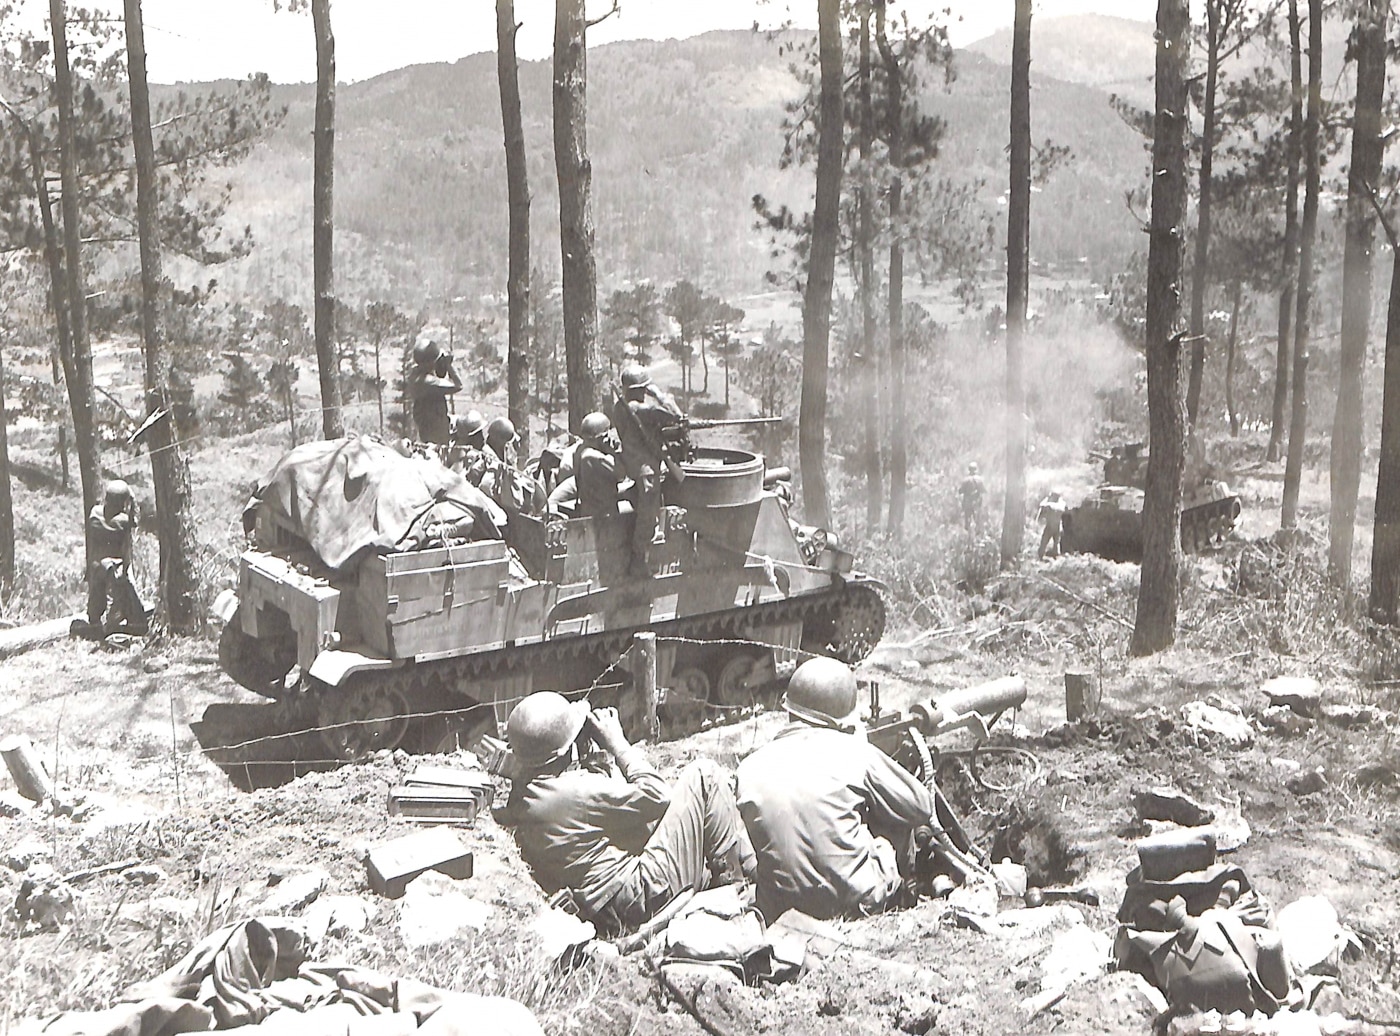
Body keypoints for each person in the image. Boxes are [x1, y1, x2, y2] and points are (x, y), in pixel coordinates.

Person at [498, 691, 755, 935]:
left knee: (677, 826)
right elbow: (658, 796)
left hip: (607, 907)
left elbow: (617, 810)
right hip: (638, 897)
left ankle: (746, 867)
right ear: (565, 749)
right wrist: (617, 744)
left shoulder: (529, 791)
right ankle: (734, 891)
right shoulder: (574, 791)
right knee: (703, 775)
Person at [735, 657, 936, 922]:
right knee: (893, 814)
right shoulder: (853, 751)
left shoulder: (748, 768)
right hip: (857, 905)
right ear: (843, 716)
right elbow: (921, 807)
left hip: (781, 912)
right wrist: (864, 747)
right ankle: (908, 891)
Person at [612, 363, 685, 576]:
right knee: (648, 514)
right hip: (646, 469)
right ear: (642, 389)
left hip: (631, 462)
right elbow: (677, 417)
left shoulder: (620, 408)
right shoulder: (643, 410)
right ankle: (638, 559)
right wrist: (660, 394)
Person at [85, 480, 147, 636]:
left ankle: (93, 623)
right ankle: (111, 628)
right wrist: (132, 500)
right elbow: (135, 522)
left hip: (96, 563)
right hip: (113, 566)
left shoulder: (94, 513)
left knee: (97, 595)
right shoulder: (123, 521)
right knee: (116, 599)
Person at [407, 337, 461, 445]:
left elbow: (439, 376)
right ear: (430, 362)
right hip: (436, 434)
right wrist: (448, 365)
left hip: (429, 428)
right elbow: (458, 385)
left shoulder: (416, 375)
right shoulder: (428, 382)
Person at [574, 412, 625, 518]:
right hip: (603, 516)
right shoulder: (593, 457)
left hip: (590, 511)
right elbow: (621, 474)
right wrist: (612, 451)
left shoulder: (580, 451)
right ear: (602, 437)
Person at [446, 409, 489, 486]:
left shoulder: (483, 452)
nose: (482, 437)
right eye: (477, 435)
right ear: (469, 438)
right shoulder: (459, 452)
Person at [1037, 490, 1067, 559]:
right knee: (1044, 542)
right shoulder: (1049, 503)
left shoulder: (1061, 504)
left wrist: (1049, 506)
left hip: (1056, 527)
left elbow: (1061, 508)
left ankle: (1056, 558)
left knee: (1056, 544)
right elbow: (1042, 505)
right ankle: (1041, 557)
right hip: (1050, 526)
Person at [958, 462, 986, 532]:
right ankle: (978, 533)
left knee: (967, 518)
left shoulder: (965, 480)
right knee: (978, 519)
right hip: (977, 502)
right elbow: (984, 490)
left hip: (967, 502)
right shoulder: (980, 479)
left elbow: (960, 491)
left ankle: (968, 533)